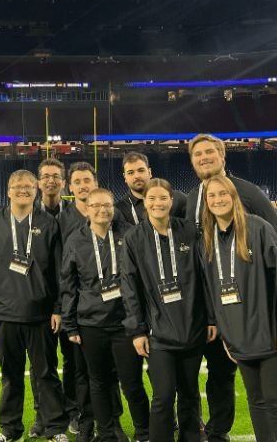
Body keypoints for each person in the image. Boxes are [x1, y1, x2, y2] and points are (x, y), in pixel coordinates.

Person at [185, 133, 277, 442]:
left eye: (210, 151)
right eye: (198, 154)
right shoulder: (192, 198)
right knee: (231, 382)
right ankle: (217, 432)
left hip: (260, 315)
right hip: (223, 316)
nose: (204, 157)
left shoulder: (249, 195)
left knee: (276, 395)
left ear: (223, 156)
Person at [0, 169, 69, 442]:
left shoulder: (49, 224)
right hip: (3, 313)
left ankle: (55, 428)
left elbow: (58, 271)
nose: (22, 190)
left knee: (46, 374)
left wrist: (58, 307)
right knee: (10, 376)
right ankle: (10, 429)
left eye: (27, 186)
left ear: (36, 190)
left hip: (40, 314)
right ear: (8, 191)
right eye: (17, 186)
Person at [120, 178, 217, 442]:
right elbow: (129, 287)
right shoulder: (134, 238)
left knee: (189, 392)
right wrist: (137, 330)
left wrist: (209, 317)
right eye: (152, 199)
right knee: (163, 395)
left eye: (162, 198)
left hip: (192, 326)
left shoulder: (188, 231)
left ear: (171, 201)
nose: (157, 203)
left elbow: (204, 278)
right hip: (157, 333)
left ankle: (190, 438)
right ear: (145, 204)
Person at [61, 188, 150, 442]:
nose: (102, 210)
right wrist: (71, 324)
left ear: (114, 208)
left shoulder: (129, 235)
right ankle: (107, 431)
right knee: (98, 382)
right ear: (87, 209)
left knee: (132, 382)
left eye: (107, 205)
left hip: (125, 322)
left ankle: (144, 431)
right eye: (96, 205)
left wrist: (141, 322)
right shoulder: (75, 240)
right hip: (91, 323)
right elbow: (68, 285)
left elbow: (142, 280)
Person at [58, 162, 127, 442]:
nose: (83, 185)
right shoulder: (63, 221)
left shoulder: (116, 217)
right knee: (82, 372)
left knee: (110, 374)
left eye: (88, 180)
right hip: (83, 314)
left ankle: (112, 423)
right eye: (77, 181)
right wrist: (66, 316)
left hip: (115, 315)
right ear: (70, 187)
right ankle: (86, 422)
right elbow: (62, 273)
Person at [30, 158, 78, 438]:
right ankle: (43, 414)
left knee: (73, 361)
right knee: (41, 364)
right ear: (38, 182)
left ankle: (72, 411)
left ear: (63, 182)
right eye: (46, 176)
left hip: (71, 300)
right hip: (39, 301)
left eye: (56, 176)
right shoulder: (25, 215)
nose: (51, 181)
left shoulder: (74, 214)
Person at [115, 151, 186, 226]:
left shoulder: (177, 199)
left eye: (141, 170)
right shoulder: (118, 210)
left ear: (149, 172)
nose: (137, 176)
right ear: (125, 177)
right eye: (130, 173)